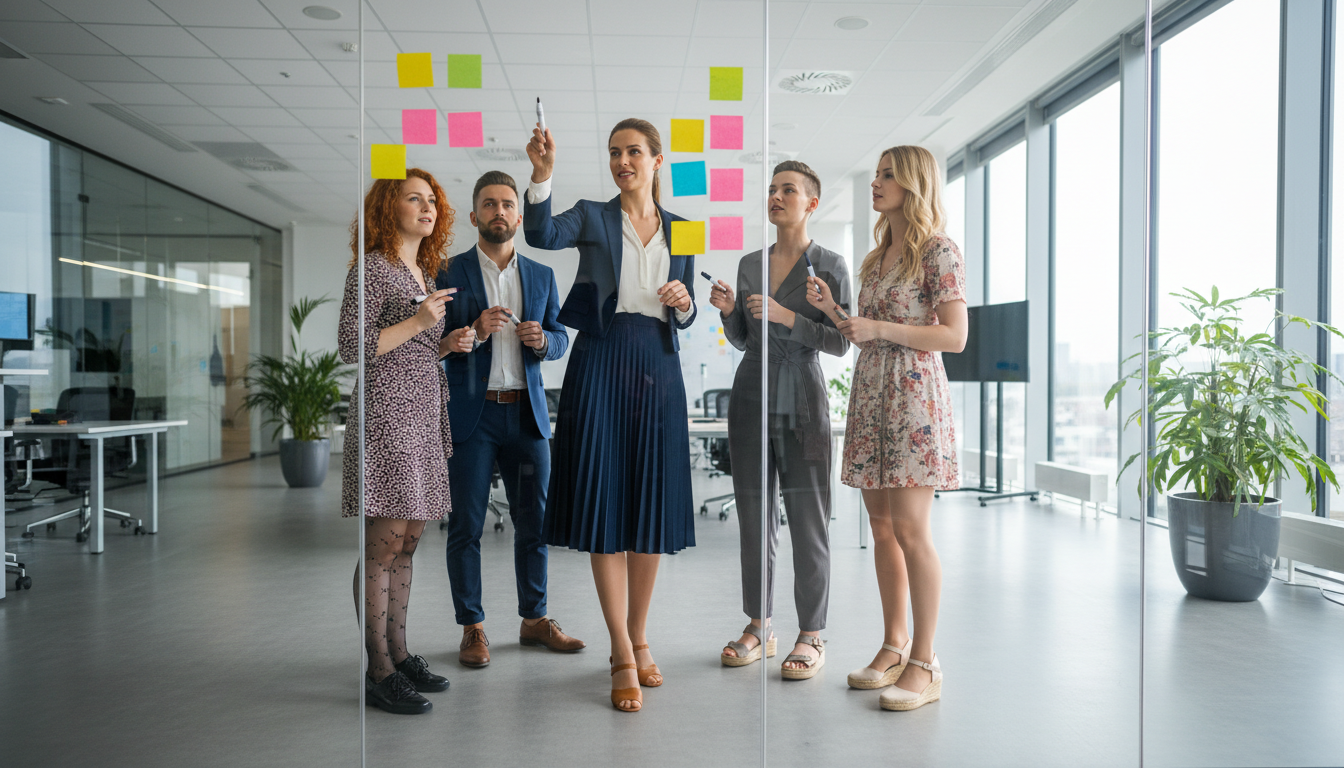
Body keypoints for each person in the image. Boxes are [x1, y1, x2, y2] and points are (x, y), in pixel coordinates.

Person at [522, 118, 697, 713]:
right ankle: (621, 649)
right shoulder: (591, 215)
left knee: (648, 503)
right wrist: (542, 177)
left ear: (657, 160)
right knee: (604, 504)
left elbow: (686, 308)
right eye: (614, 153)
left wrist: (687, 303)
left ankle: (641, 634)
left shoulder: (685, 228)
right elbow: (541, 232)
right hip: (600, 361)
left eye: (633, 153)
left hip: (658, 364)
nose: (622, 161)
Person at [806, 146, 967, 712]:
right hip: (873, 392)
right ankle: (893, 645)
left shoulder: (938, 250)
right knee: (881, 529)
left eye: (888, 174)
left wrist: (877, 325)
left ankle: (926, 660)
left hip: (914, 398)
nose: (876, 182)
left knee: (912, 530)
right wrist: (833, 311)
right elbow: (864, 332)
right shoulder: (875, 259)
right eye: (875, 173)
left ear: (914, 182)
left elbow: (955, 336)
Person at [339, 168, 477, 715]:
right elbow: (355, 347)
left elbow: (408, 344)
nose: (427, 207)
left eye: (432, 200)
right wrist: (422, 322)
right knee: (384, 543)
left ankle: (398, 653)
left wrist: (444, 343)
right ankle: (377, 668)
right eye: (414, 198)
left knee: (410, 541)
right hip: (388, 414)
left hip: (422, 411)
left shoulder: (418, 270)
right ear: (386, 209)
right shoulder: (371, 268)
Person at [709, 161, 851, 680]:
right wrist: (729, 312)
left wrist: (788, 316)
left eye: (788, 190)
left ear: (811, 203)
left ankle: (811, 633)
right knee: (753, 515)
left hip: (806, 398)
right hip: (750, 393)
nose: (776, 197)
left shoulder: (831, 265)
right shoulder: (750, 264)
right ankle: (758, 624)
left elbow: (841, 341)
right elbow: (747, 338)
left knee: (810, 517)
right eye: (771, 190)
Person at [437, 170, 584, 668]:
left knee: (534, 524)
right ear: (475, 213)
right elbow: (429, 347)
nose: (499, 211)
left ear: (519, 217)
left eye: (507, 204)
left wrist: (544, 341)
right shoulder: (448, 272)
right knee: (466, 527)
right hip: (472, 421)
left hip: (527, 417)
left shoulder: (541, 276)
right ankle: (472, 627)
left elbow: (563, 337)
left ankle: (534, 619)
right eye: (489, 204)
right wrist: (471, 332)